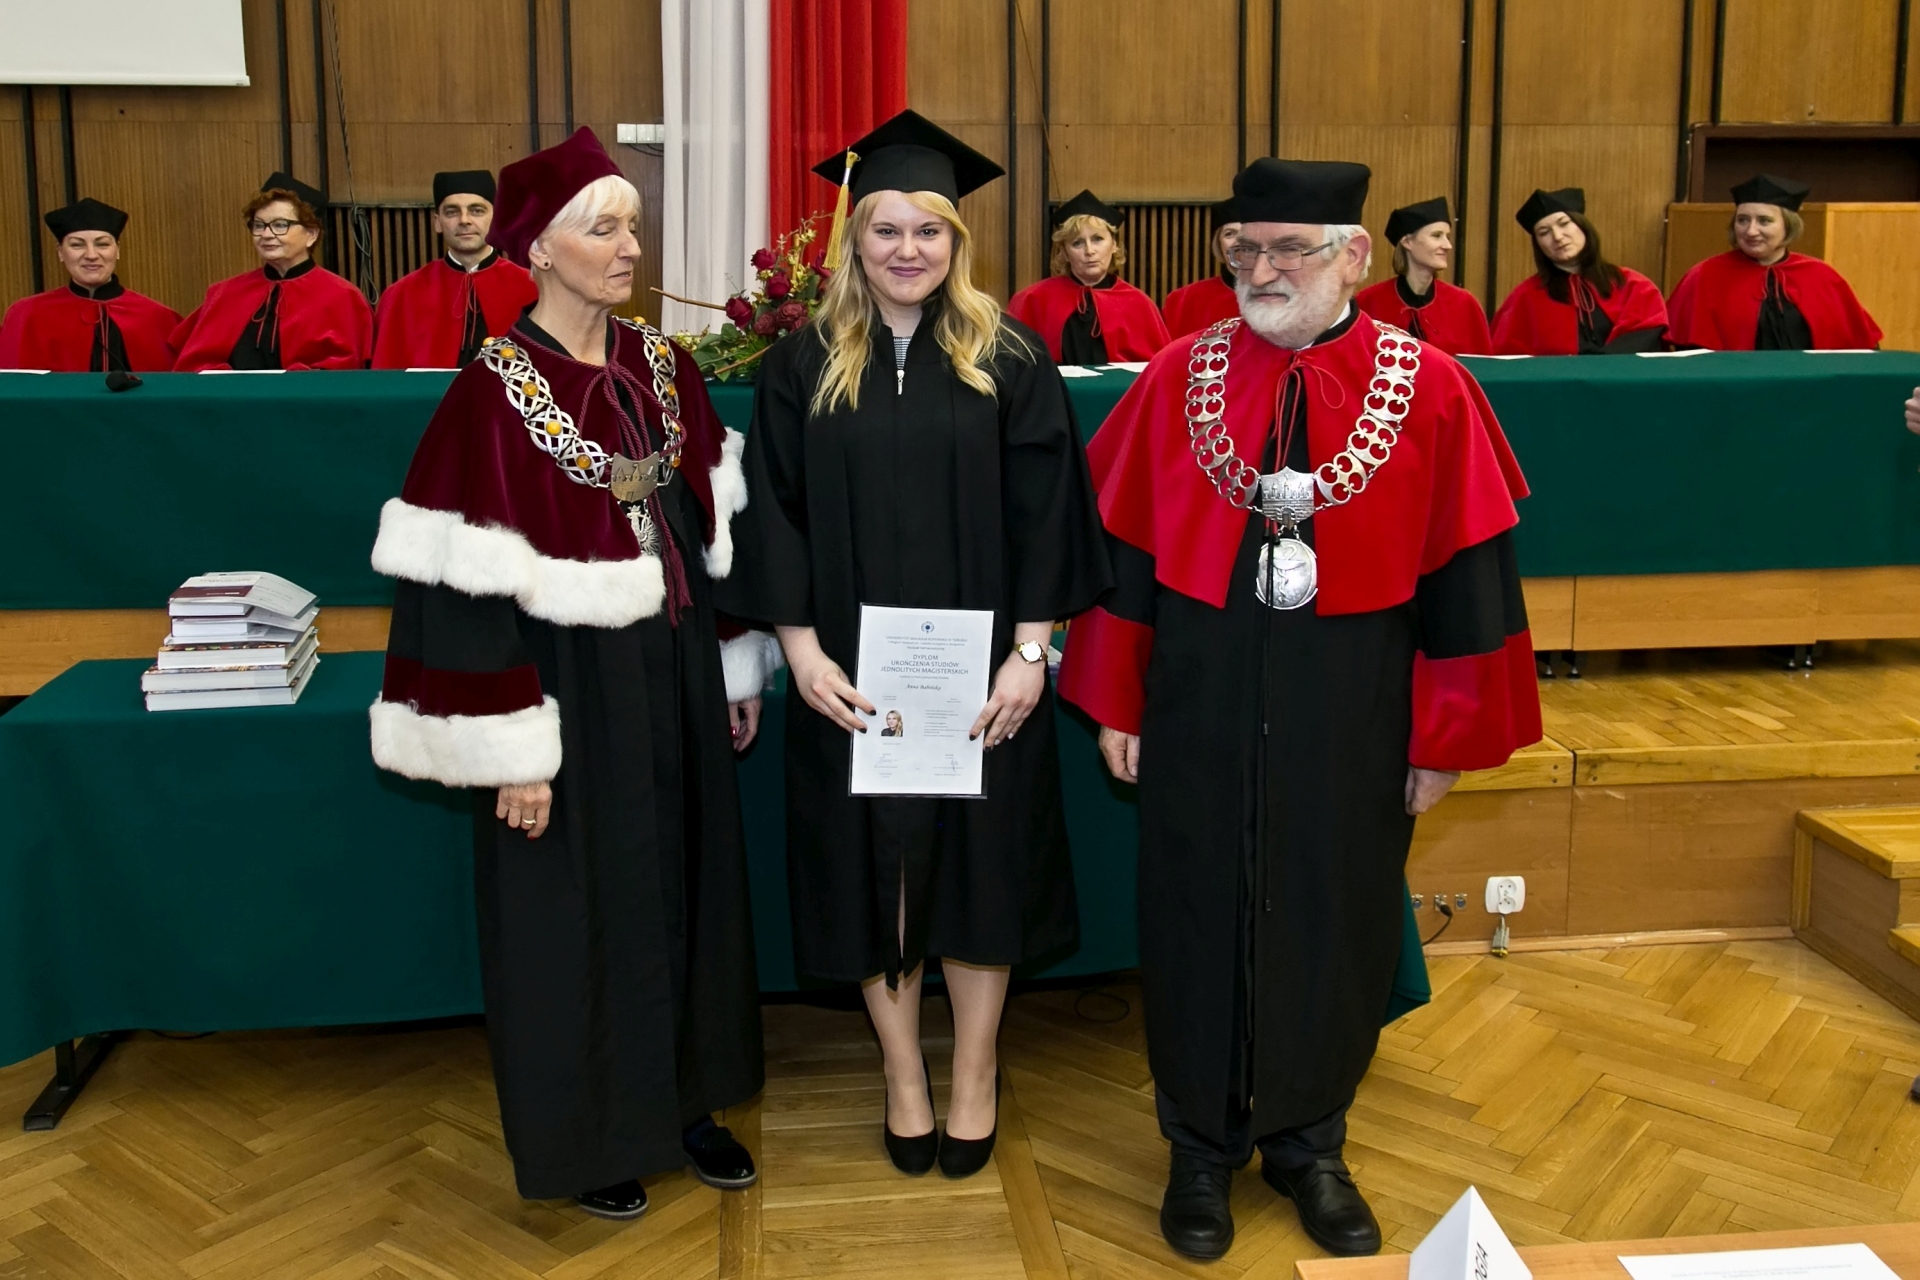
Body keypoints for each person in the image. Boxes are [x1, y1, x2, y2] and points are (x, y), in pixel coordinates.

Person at [1057, 157, 1541, 1262]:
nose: (1262, 270)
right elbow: (1124, 552)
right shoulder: (1177, 375)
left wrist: (1444, 737)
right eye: (1245, 250)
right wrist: (1118, 700)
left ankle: (1311, 1144)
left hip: (1354, 713)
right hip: (1199, 705)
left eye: (1289, 250)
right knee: (1194, 912)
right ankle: (1198, 1147)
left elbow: (1467, 577)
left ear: (1354, 257)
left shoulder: (1431, 387)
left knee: (1337, 912)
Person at [366, 127, 774, 1220]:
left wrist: (734, 661)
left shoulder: (664, 366)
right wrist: (509, 747)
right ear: (539, 250)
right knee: (574, 914)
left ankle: (687, 1104)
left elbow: (713, 525)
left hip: (674, 673)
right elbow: (457, 587)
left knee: (686, 884)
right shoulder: (489, 394)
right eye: (604, 228)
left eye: (632, 225)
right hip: (562, 691)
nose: (629, 246)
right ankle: (591, 1137)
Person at [718, 110, 1110, 1181]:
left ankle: (975, 1069)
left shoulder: (1009, 356)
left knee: (983, 869)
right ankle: (903, 1072)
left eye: (927, 230)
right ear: (855, 239)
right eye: (886, 229)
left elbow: (1048, 512)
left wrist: (1031, 653)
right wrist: (800, 653)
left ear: (955, 241)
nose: (907, 249)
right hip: (850, 673)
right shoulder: (801, 364)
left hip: (982, 674)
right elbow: (774, 515)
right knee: (869, 874)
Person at [170, 173, 373, 371]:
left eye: (280, 225)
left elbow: (345, 370)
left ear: (311, 234)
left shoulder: (342, 296)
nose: (266, 235)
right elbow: (195, 364)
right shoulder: (225, 293)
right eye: (259, 225)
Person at [1667, 174, 1881, 351]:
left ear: (1788, 226)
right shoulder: (1705, 275)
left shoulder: (1821, 276)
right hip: (1734, 385)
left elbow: (1860, 345)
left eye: (1764, 221)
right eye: (1743, 220)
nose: (1751, 231)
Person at [371, 169, 539, 368]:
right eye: (452, 212)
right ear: (437, 223)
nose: (464, 220)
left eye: (477, 210)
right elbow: (387, 375)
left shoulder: (534, 288)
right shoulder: (401, 296)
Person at [0, 198, 181, 372]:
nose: (91, 255)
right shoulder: (27, 315)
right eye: (77, 245)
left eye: (102, 244)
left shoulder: (159, 318)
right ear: (60, 252)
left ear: (117, 250)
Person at [1491, 188, 1667, 355]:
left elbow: (1647, 336)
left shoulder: (1632, 285)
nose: (1557, 237)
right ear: (1538, 245)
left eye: (1564, 224)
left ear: (1582, 226)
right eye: (1544, 233)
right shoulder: (1524, 298)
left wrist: (1600, 364)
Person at [1008, 189, 1170, 364]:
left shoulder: (1139, 304)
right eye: (1077, 243)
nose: (1089, 251)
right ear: (1064, 253)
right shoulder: (1033, 300)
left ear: (1114, 245)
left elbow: (1161, 368)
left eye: (1097, 239)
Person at [1353, 196, 1491, 355]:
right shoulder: (1368, 303)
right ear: (1407, 242)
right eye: (1436, 235)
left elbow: (1483, 365)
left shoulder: (1464, 304)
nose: (1447, 245)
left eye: (1447, 237)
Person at [1162, 198, 1244, 337]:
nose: (1239, 242)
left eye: (1248, 233)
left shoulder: (1283, 295)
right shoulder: (1183, 301)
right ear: (1218, 244)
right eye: (1229, 233)